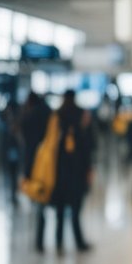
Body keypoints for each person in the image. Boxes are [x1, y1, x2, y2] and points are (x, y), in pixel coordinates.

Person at [38, 91, 95, 252]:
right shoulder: (81, 116)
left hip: (59, 170)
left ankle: (59, 243)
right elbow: (86, 146)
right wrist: (88, 168)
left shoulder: (57, 116)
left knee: (60, 210)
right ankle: (79, 242)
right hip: (77, 170)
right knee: (76, 209)